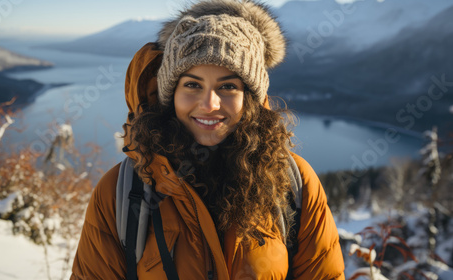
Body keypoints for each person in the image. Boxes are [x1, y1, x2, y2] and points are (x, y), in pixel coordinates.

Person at [71, 0, 345, 279]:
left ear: (249, 99)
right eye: (192, 85)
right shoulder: (123, 192)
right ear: (171, 94)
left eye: (228, 86)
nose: (210, 104)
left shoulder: (291, 183)